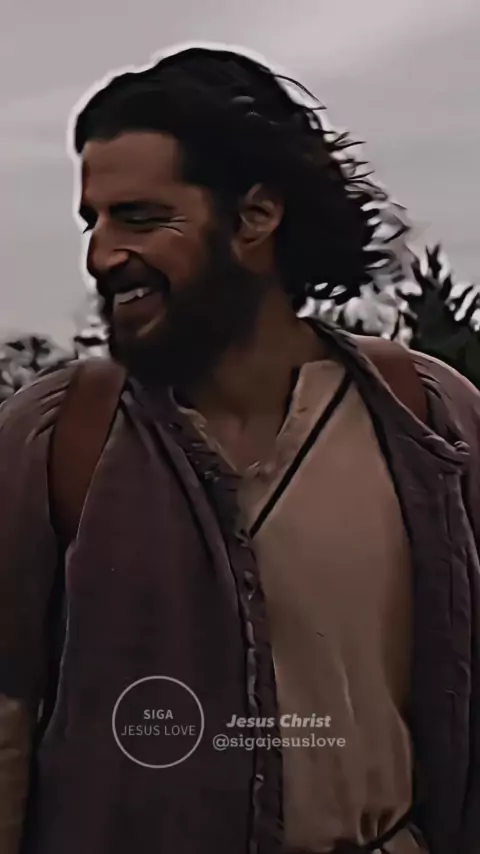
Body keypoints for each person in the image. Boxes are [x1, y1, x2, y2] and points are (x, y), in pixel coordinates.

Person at [0, 44, 479, 854]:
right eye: (94, 220)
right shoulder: (59, 434)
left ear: (256, 216)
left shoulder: (428, 420)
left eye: (140, 217)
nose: (101, 255)